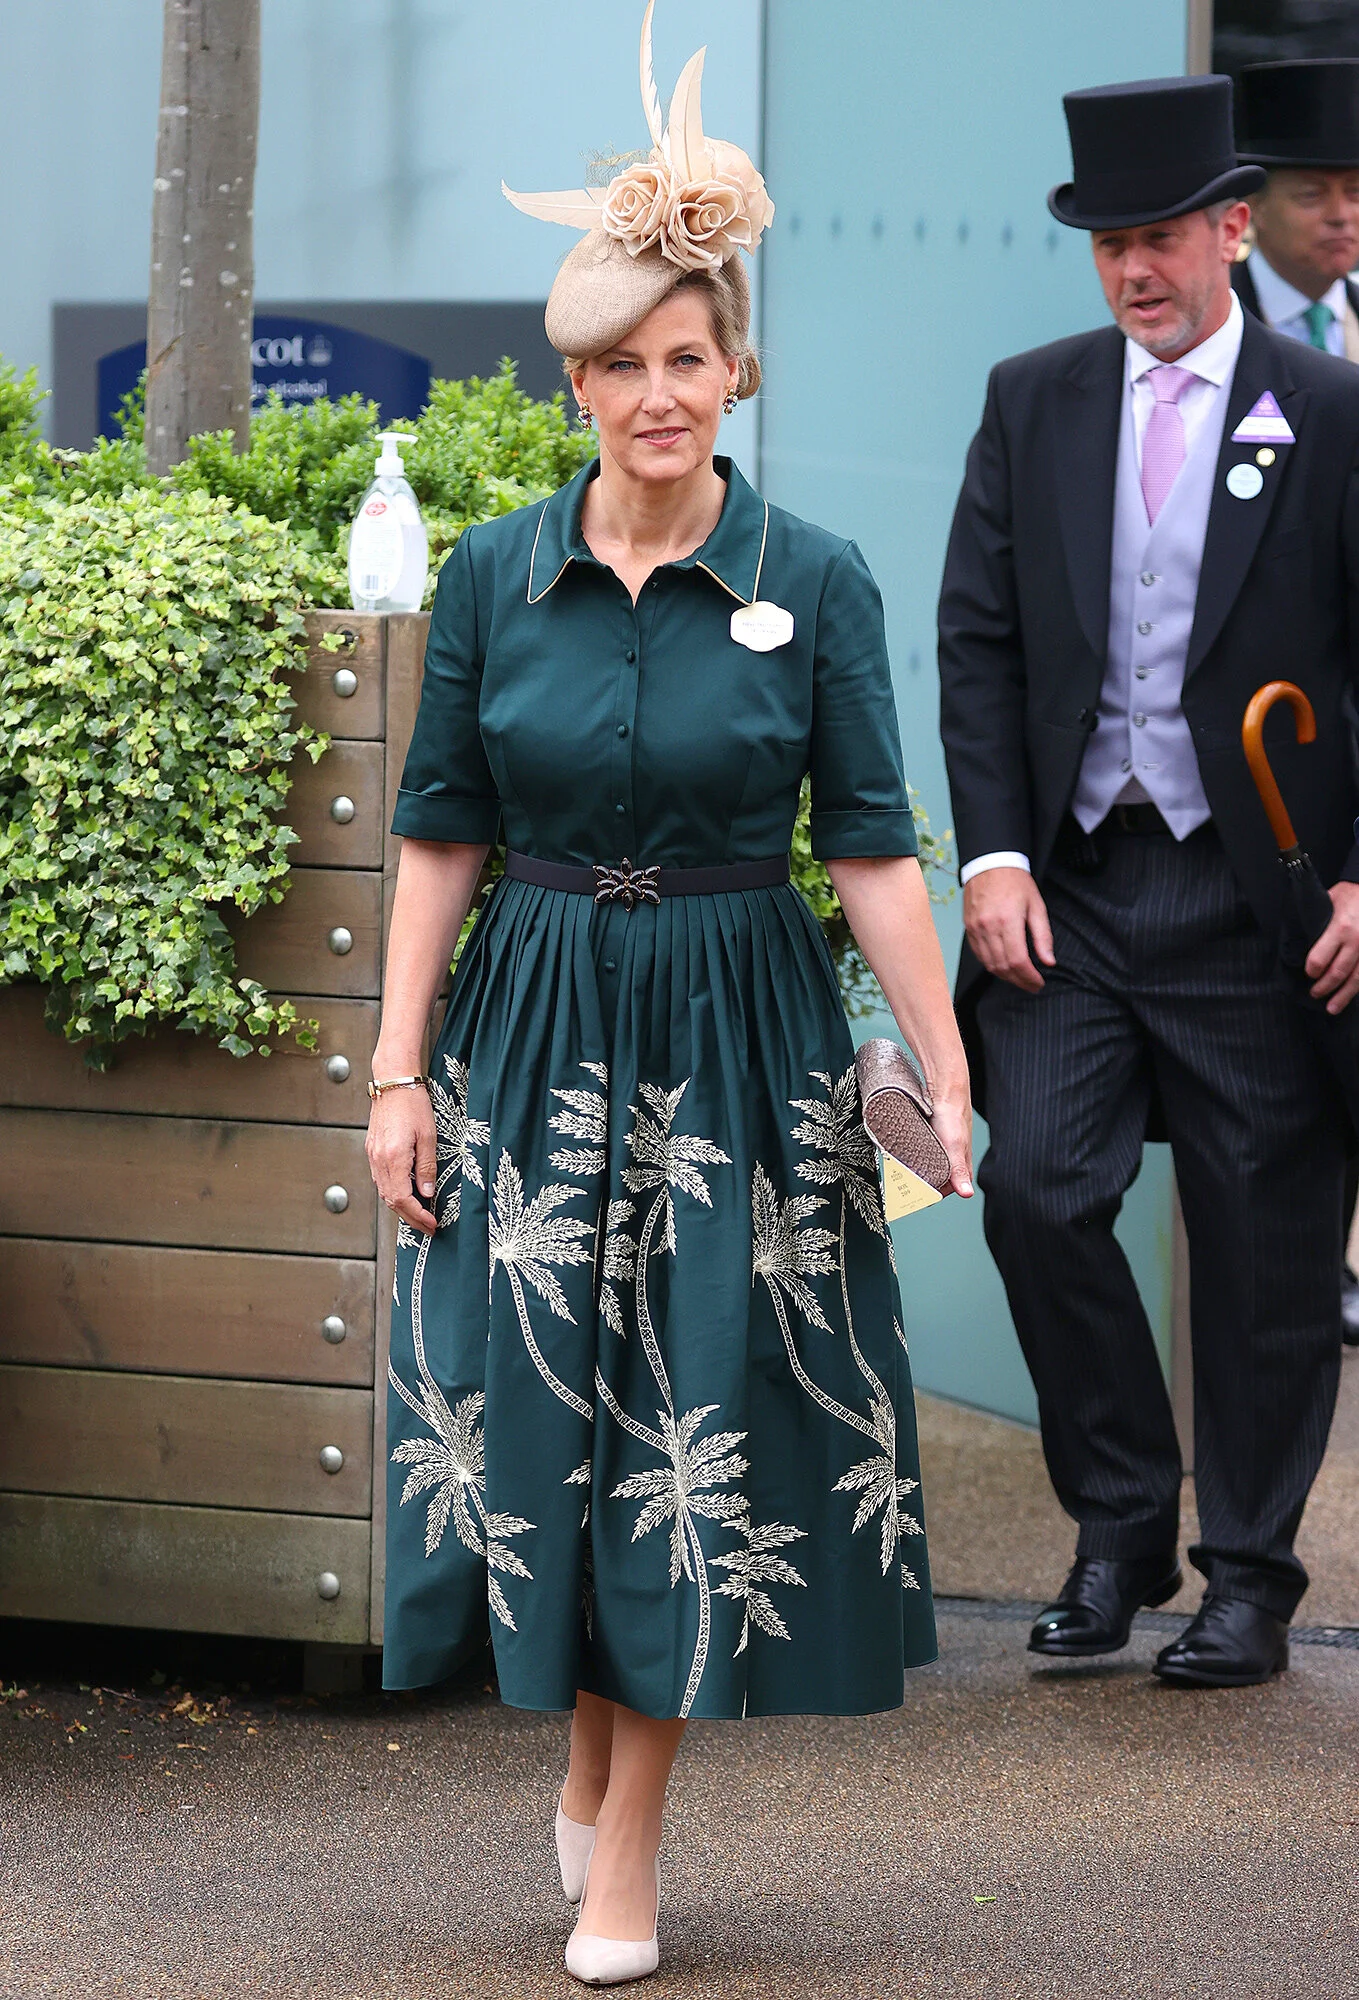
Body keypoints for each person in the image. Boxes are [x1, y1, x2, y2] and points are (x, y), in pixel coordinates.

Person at [366, 6, 970, 1985]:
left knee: (699, 1425)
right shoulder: (489, 579)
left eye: (682, 359)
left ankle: (628, 1842)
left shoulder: (818, 576)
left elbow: (870, 845)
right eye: (617, 365)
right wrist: (395, 1073)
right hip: (533, 1020)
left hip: (740, 1030)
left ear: (735, 365)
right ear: (574, 379)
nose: (653, 395)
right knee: (557, 1419)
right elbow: (440, 831)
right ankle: (581, 1739)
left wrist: (941, 1057)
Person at [938, 74, 1359, 1690]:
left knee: (1260, 1240)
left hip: (1258, 898)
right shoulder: (1029, 399)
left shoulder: (1323, 418)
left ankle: (1243, 1577)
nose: (1132, 269)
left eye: (1160, 236)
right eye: (1108, 241)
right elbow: (976, 639)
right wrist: (986, 853)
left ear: (1228, 233)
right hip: (1075, 889)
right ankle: (1116, 1523)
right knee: (1033, 1188)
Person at [1232, 57, 1359, 1346]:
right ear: (1253, 206)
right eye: (1318, 191)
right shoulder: (1219, 338)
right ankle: (1302, 1268)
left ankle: (1330, 1252)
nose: (1345, 214)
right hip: (1259, 747)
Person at [1232, 59, 1359, 361]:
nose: (1339, 215)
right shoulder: (1211, 327)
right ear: (1254, 206)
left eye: (1355, 192)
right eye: (1311, 195)